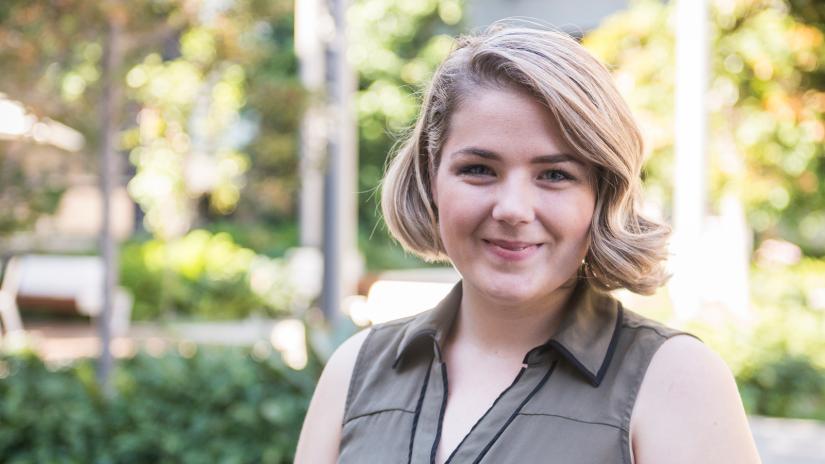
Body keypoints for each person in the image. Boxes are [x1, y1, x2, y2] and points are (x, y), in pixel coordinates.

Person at [295, 23, 761, 464]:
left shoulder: (677, 379)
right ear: (431, 178)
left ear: (600, 195)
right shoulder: (354, 372)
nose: (512, 209)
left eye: (555, 175)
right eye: (479, 169)